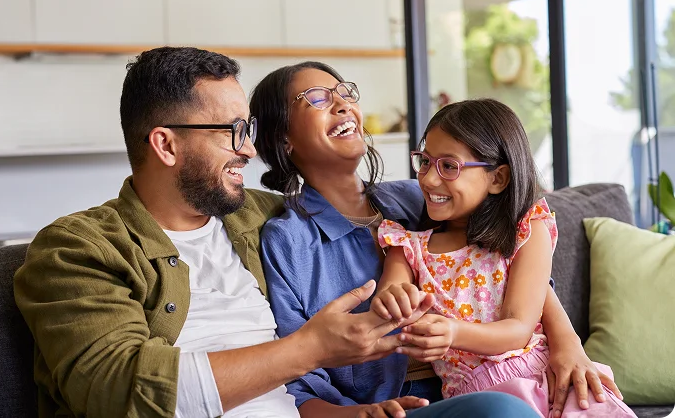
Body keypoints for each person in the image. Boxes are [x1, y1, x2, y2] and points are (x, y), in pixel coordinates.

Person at [14, 47, 431, 418]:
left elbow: (369, 210)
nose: (249, 150)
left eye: (248, 131)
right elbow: (120, 391)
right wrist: (310, 349)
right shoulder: (78, 248)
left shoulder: (263, 217)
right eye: (233, 132)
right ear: (166, 145)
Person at [251, 61, 624, 418]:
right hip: (408, 406)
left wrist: (567, 341)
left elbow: (512, 266)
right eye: (318, 97)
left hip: (512, 374)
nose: (343, 103)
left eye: (344, 92)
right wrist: (355, 413)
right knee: (500, 410)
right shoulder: (288, 241)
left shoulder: (419, 197)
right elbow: (294, 375)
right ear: (282, 138)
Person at [370, 98, 636, 417]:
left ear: (498, 178)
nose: (427, 179)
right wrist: (393, 300)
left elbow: (518, 328)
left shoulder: (526, 232)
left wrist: (453, 332)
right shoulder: (407, 246)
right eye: (424, 161)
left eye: (449, 166)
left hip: (549, 378)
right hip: (476, 399)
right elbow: (388, 294)